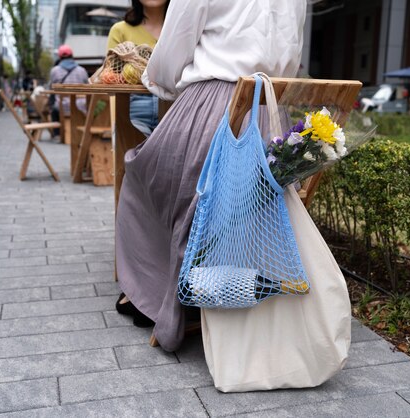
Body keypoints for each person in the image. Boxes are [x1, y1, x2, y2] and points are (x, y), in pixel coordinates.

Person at [114, 0, 306, 351]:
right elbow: (292, 57)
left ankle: (159, 293)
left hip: (213, 107)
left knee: (140, 172)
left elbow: (171, 54)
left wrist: (158, 80)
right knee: (224, 193)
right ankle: (198, 284)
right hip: (270, 119)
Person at [107, 0, 169, 136]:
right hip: (133, 109)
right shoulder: (120, 30)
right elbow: (110, 75)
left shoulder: (182, 28)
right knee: (133, 155)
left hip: (176, 109)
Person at [48, 45, 89, 136]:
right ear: (72, 56)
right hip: (80, 107)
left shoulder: (55, 70)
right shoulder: (82, 70)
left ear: (60, 57)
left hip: (62, 107)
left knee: (54, 108)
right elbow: (88, 87)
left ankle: (57, 134)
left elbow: (51, 88)